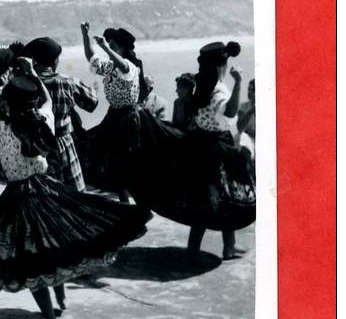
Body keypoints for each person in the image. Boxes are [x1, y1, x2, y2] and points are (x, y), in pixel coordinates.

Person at [0, 57, 152, 319]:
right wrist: (33, 76)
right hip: (48, 188)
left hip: (19, 197)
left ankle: (49, 318)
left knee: (31, 261)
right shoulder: (43, 119)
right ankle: (61, 299)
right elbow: (48, 102)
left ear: (8, 100)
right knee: (52, 248)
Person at [80, 23, 181, 202]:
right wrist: (85, 34)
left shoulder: (131, 67)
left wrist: (104, 47)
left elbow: (123, 66)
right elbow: (91, 57)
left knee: (124, 162)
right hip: (114, 115)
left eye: (114, 47)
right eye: (110, 47)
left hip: (128, 117)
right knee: (95, 150)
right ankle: (122, 199)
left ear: (124, 49)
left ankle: (131, 199)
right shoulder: (111, 65)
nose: (110, 50)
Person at [183, 42, 256, 260]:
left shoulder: (201, 85)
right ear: (222, 65)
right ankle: (224, 248)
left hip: (201, 145)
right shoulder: (218, 88)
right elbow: (231, 110)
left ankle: (196, 249)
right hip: (219, 147)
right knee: (227, 199)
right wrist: (239, 82)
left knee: (204, 200)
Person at [18, 36, 98, 192]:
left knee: (46, 198)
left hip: (36, 149)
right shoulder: (68, 82)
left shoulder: (23, 84)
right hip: (64, 144)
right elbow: (92, 103)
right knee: (75, 197)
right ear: (54, 61)